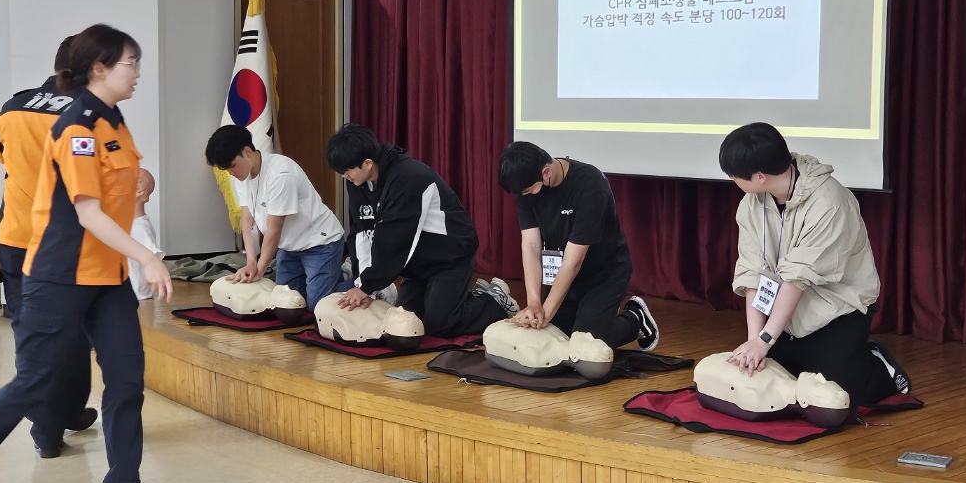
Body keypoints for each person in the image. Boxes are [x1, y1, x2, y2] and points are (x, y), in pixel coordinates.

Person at [0, 25, 180, 483]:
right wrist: (148, 256)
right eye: (130, 63)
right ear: (99, 69)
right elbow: (88, 212)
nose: (137, 72)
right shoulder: (77, 128)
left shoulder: (113, 122)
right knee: (36, 381)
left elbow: (121, 194)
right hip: (60, 274)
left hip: (106, 277)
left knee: (126, 378)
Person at [719, 122, 909, 409]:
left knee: (842, 395)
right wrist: (755, 341)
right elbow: (752, 273)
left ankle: (879, 363)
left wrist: (766, 339)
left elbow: (797, 279)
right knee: (774, 380)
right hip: (787, 309)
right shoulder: (751, 203)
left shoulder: (830, 202)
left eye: (734, 174)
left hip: (836, 307)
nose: (732, 179)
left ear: (759, 176)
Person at [0, 36, 99, 458]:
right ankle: (48, 425)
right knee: (73, 334)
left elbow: (9, 163)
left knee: (32, 333)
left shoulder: (12, 108)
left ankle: (66, 412)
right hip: (64, 242)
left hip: (16, 237)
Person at [325, 123, 515, 337]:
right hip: (416, 259)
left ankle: (494, 299)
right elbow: (362, 233)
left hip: (449, 255)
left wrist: (367, 287)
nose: (345, 176)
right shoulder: (357, 182)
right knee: (407, 321)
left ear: (367, 163)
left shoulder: (408, 177)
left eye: (347, 170)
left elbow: (394, 240)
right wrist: (363, 284)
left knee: (439, 326)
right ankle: (465, 298)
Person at [497, 141, 658, 352]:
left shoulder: (590, 185)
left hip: (604, 273)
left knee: (585, 345)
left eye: (528, 190)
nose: (524, 195)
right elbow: (531, 246)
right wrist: (534, 303)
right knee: (551, 342)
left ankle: (635, 318)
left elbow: (573, 261)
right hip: (563, 274)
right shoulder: (526, 191)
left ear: (546, 172)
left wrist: (546, 313)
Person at [204, 125, 346, 312]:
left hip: (320, 243)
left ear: (247, 152)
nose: (231, 173)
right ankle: (330, 277)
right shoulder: (241, 175)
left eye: (232, 166)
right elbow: (247, 220)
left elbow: (274, 230)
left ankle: (354, 281)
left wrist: (259, 272)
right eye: (226, 169)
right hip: (289, 246)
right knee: (287, 304)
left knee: (317, 307)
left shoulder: (280, 175)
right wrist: (251, 262)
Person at [128, 168, 165, 301]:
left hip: (136, 294)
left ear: (138, 189)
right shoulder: (131, 225)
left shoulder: (138, 228)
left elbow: (154, 256)